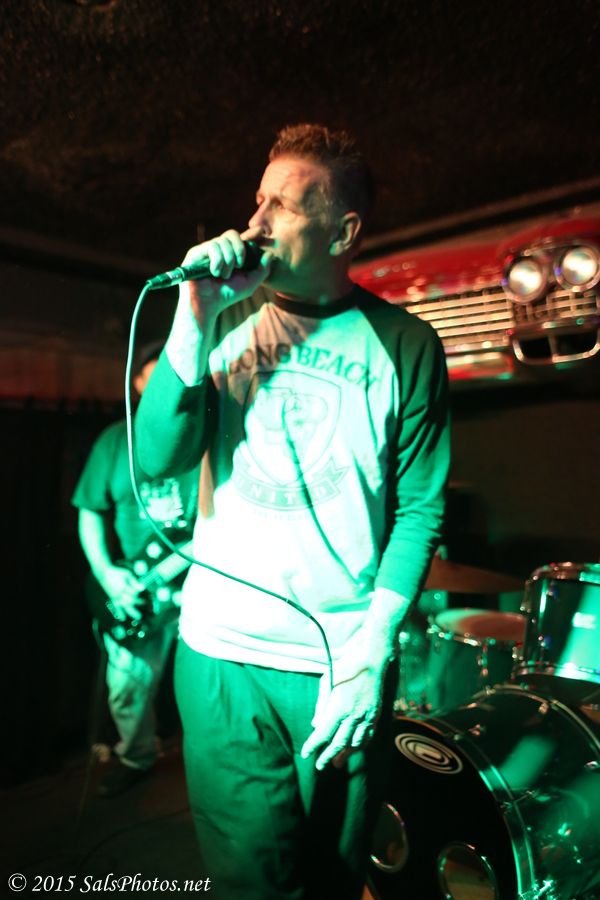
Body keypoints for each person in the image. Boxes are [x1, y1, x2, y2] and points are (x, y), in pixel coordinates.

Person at [135, 124, 450, 898]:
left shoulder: (405, 345)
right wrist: (193, 312)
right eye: (257, 200)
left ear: (343, 232)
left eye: (282, 205)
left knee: (332, 875)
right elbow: (157, 458)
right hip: (221, 655)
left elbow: (418, 509)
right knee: (251, 881)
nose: (256, 222)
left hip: (336, 662)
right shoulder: (223, 321)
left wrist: (372, 654)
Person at [72, 342, 199, 797]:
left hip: (200, 586)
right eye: (154, 371)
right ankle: (136, 755)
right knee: (126, 687)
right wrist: (107, 572)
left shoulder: (205, 434)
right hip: (138, 589)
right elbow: (90, 510)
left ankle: (208, 768)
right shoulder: (115, 440)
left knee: (206, 684)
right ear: (139, 382)